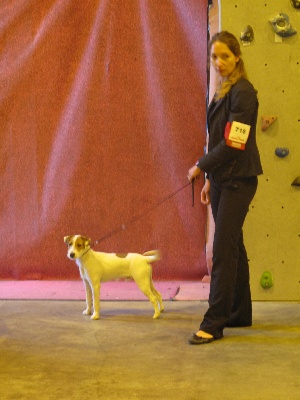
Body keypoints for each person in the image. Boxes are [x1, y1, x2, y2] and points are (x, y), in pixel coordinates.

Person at [187, 31, 263, 344]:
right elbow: (218, 137)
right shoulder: (222, 90)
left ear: (237, 57)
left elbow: (235, 142)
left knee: (222, 249)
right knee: (233, 245)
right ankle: (239, 312)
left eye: (225, 57)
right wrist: (208, 178)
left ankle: (214, 322)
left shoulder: (243, 92)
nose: (219, 63)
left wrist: (201, 165)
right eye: (214, 57)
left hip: (239, 180)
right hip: (220, 180)